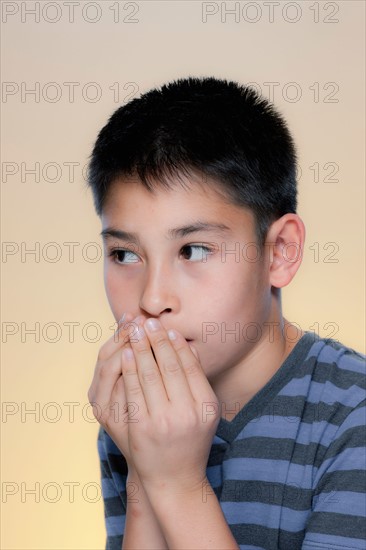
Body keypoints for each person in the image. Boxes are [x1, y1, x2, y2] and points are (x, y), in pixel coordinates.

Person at [86, 76, 366, 550]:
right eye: (125, 255)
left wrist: (177, 486)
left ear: (279, 251)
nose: (153, 300)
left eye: (193, 250)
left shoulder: (351, 420)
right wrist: (144, 480)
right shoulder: (141, 412)